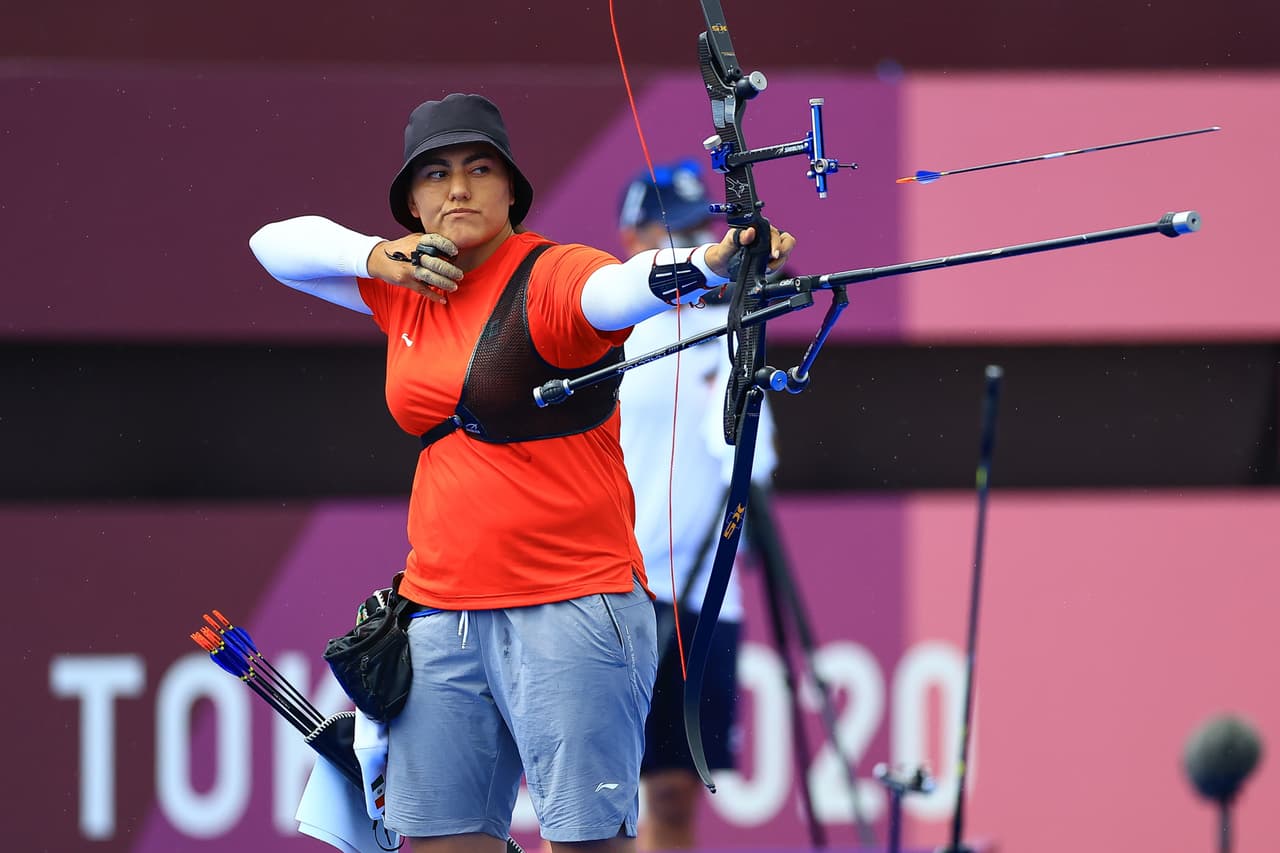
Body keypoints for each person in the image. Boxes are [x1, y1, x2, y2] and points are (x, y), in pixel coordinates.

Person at [247, 92, 795, 853]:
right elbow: (272, 243)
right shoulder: (403, 286)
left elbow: (622, 287)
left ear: (513, 189)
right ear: (411, 200)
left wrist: (707, 264)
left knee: (582, 844)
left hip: (570, 604)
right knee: (438, 842)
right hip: (440, 609)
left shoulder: (554, 274)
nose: (459, 189)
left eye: (479, 169)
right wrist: (374, 254)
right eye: (435, 175)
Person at [615, 161, 778, 851]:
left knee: (677, 795)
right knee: (597, 797)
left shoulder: (731, 332)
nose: (688, 247)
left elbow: (755, 461)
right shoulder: (605, 329)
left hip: (707, 602)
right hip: (617, 594)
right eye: (669, 233)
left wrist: (736, 340)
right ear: (632, 238)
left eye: (698, 232)